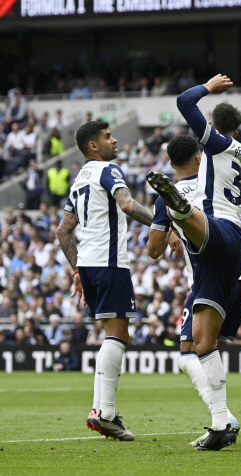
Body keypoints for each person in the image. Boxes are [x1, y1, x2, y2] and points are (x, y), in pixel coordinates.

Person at [146, 74, 241, 451]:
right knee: (203, 344)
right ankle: (221, 423)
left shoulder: (218, 146)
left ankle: (178, 209)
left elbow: (184, 103)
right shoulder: (239, 155)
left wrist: (208, 87)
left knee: (197, 226)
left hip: (214, 231)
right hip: (230, 253)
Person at [56, 120, 155, 441]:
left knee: (112, 334)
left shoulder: (78, 179)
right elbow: (127, 204)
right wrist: (166, 223)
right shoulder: (108, 171)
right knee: (118, 334)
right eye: (108, 137)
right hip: (110, 263)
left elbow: (63, 230)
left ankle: (102, 410)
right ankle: (105, 413)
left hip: (88, 265)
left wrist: (76, 270)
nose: (114, 141)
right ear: (94, 146)